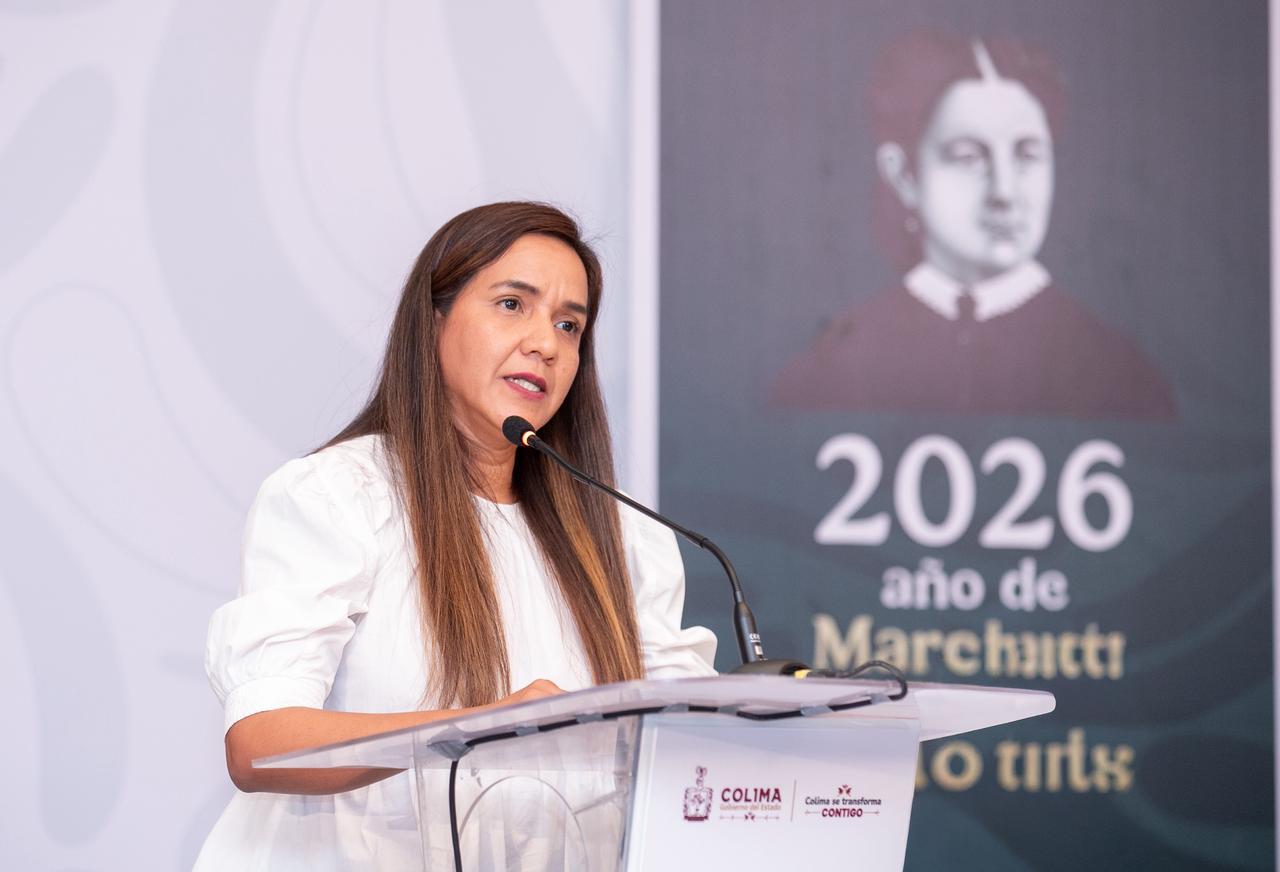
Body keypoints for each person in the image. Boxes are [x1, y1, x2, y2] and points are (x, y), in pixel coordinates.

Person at [194, 202, 717, 870]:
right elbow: (261, 744)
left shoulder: (622, 539)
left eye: (569, 324)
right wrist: (481, 729)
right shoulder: (339, 496)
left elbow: (686, 746)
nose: (546, 343)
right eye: (512, 304)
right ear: (434, 319)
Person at [772, 32, 1176, 419]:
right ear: (904, 175)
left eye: (1027, 156)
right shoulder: (827, 374)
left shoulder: (1120, 376)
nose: (1005, 192)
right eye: (969, 158)